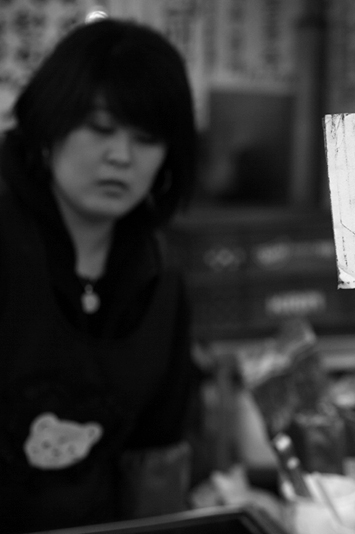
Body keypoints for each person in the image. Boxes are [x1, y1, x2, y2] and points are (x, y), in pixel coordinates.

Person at [0, 17, 202, 532]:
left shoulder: (161, 277)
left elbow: (156, 452)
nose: (120, 157)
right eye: (100, 128)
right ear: (50, 124)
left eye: (146, 138)